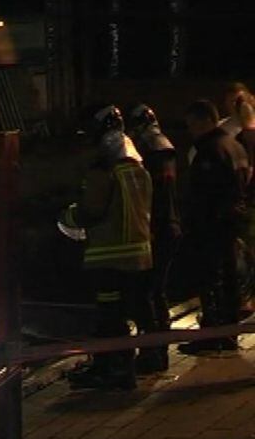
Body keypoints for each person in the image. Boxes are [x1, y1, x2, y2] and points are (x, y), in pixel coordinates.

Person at [64, 105, 153, 390]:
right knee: (127, 313)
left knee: (108, 317)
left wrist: (66, 216)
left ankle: (111, 370)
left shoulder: (103, 171)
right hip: (139, 256)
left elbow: (91, 211)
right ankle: (125, 367)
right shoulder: (138, 169)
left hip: (108, 258)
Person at [179, 100, 248, 354]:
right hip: (231, 223)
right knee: (229, 278)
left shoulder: (210, 151)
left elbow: (203, 194)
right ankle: (228, 334)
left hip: (211, 226)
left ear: (207, 121)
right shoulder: (235, 147)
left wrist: (194, 223)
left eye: (193, 125)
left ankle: (212, 335)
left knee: (210, 280)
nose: (191, 131)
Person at [127, 104, 182, 373]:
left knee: (146, 293)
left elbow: (149, 195)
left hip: (154, 229)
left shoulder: (147, 149)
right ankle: (158, 350)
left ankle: (153, 353)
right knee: (157, 291)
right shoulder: (166, 147)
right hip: (169, 225)